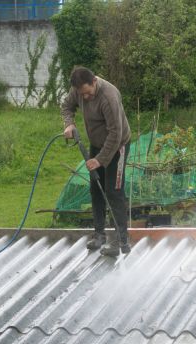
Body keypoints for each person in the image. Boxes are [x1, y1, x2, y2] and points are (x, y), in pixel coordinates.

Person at [61, 67, 132, 256]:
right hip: (96, 144)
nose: (84, 97)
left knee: (113, 191)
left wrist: (100, 160)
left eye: (87, 92)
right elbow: (67, 106)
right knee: (95, 188)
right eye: (81, 94)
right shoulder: (78, 90)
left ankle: (120, 241)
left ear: (94, 82)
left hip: (117, 146)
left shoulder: (109, 97)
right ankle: (99, 234)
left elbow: (115, 134)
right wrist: (69, 123)